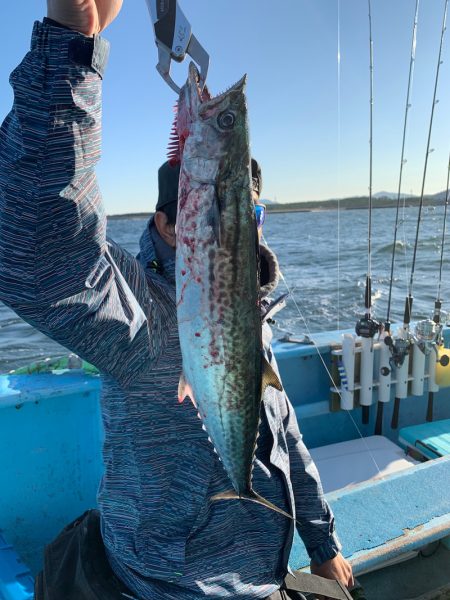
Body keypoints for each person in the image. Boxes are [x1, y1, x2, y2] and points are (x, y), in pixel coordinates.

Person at [0, 1, 354, 599]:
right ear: (170, 221)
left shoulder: (251, 312)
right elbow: (37, 249)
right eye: (223, 203)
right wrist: (72, 43)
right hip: (169, 584)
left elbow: (283, 432)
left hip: (264, 572)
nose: (245, 221)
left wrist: (322, 543)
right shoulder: (135, 313)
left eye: (251, 209)